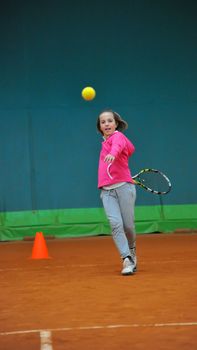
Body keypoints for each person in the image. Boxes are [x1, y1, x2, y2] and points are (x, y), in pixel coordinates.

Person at [97, 109, 137, 276]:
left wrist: (114, 155)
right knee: (115, 224)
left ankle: (132, 250)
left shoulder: (118, 137)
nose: (106, 124)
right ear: (99, 127)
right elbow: (131, 149)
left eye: (109, 121)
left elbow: (120, 146)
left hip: (124, 188)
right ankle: (126, 258)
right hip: (107, 191)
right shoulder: (105, 143)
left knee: (128, 225)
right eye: (103, 122)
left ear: (116, 124)